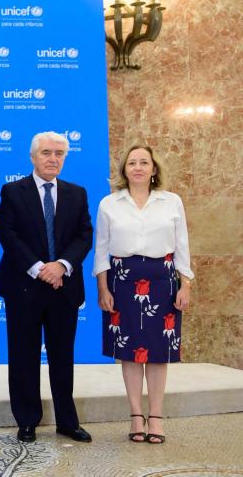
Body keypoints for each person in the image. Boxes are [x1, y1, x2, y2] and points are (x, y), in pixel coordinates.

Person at [0, 132, 94, 444]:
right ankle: (27, 421)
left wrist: (61, 265)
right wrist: (39, 268)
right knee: (23, 356)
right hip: (24, 285)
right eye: (47, 153)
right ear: (33, 157)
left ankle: (67, 421)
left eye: (60, 153)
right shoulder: (13, 191)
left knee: (63, 356)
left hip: (64, 286)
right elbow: (8, 235)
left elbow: (84, 236)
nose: (54, 159)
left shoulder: (77, 193)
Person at [95, 144, 192, 444]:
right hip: (122, 282)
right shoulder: (109, 203)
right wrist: (102, 287)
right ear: (124, 170)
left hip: (163, 282)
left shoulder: (171, 201)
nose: (137, 167)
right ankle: (136, 415)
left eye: (144, 162)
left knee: (158, 352)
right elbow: (101, 248)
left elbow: (182, 244)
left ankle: (157, 416)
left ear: (153, 169)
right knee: (130, 354)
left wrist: (185, 283)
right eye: (132, 162)